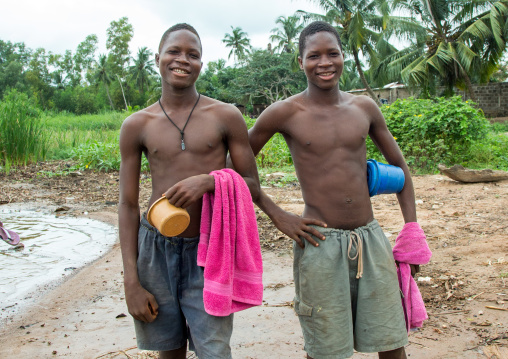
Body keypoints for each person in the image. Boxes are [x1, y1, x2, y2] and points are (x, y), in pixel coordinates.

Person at [249, 21, 423, 359]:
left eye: (333, 53)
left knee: (391, 342)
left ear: (344, 56)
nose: (324, 62)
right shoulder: (284, 113)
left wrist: (412, 234)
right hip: (319, 244)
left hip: (371, 241)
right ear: (300, 61)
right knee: (326, 349)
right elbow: (236, 164)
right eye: (314, 55)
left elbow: (401, 170)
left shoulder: (364, 108)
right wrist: (276, 214)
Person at [118, 23, 262, 359]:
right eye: (174, 51)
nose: (182, 59)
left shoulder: (226, 116)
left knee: (214, 350)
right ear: (157, 58)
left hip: (210, 250)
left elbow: (252, 185)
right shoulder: (137, 125)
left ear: (201, 63)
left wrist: (210, 181)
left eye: (192, 54)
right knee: (169, 351)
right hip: (154, 250)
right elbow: (127, 205)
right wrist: (131, 280)